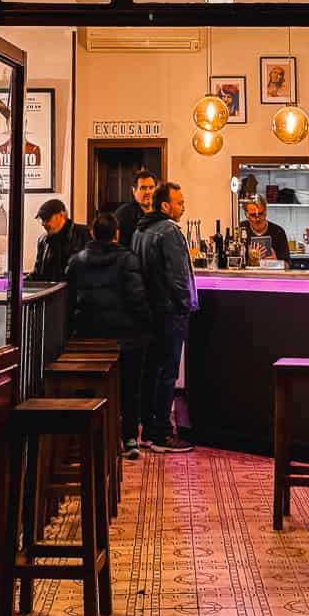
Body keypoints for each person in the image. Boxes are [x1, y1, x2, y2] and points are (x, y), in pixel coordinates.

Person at [65, 210, 151, 457]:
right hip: (126, 340)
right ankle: (129, 439)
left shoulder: (76, 261)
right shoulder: (128, 260)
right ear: (117, 234)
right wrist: (147, 324)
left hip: (88, 339)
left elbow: (69, 303)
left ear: (92, 233)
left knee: (91, 389)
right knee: (130, 389)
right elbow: (137, 299)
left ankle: (92, 439)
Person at [133, 181, 197, 453]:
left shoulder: (140, 230)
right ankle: (161, 433)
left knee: (151, 372)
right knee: (167, 373)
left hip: (149, 311)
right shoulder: (169, 231)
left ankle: (148, 429)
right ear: (165, 205)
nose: (183, 207)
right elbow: (178, 276)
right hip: (169, 310)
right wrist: (186, 305)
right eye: (179, 202)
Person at [32, 197, 90, 281]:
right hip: (51, 292)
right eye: (41, 219)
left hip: (76, 292)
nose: (43, 223)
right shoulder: (43, 240)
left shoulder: (84, 234)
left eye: (47, 218)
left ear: (61, 215)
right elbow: (38, 274)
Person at [240, 195, 291, 263]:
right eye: (253, 215)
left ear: (266, 212)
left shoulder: (278, 232)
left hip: (270, 273)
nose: (257, 219)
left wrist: (276, 262)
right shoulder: (240, 229)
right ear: (246, 214)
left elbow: (287, 264)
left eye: (261, 214)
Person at [115, 167, 157, 249]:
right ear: (134, 191)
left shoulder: (160, 212)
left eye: (151, 188)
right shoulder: (123, 214)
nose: (148, 192)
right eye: (143, 188)